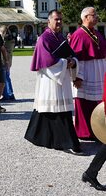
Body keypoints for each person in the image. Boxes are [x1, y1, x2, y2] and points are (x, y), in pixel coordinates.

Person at [24, 10, 82, 153]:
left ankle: (40, 137)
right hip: (50, 80)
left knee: (56, 110)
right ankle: (69, 142)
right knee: (54, 110)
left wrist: (73, 62)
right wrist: (65, 63)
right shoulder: (44, 38)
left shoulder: (60, 37)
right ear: (48, 21)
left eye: (61, 19)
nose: (59, 22)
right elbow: (46, 62)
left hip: (61, 78)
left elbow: (71, 54)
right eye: (56, 19)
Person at [70, 7, 106, 139]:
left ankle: (99, 130)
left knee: (98, 102)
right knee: (85, 103)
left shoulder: (97, 33)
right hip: (86, 75)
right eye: (94, 14)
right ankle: (85, 132)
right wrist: (77, 77)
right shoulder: (78, 35)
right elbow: (76, 59)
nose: (97, 16)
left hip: (100, 74)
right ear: (85, 17)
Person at [0, 25, 15, 101]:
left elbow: (2, 49)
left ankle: (8, 94)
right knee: (6, 77)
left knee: (5, 78)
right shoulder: (10, 39)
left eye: (0, 32)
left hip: (4, 61)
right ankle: (9, 94)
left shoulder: (5, 41)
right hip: (8, 61)